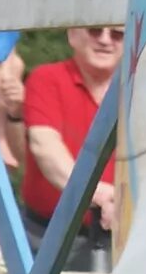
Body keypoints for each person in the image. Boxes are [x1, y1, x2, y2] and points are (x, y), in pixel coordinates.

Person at [20, 23, 127, 243]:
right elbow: (45, 148)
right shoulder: (46, 80)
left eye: (118, 34)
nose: (105, 40)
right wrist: (98, 194)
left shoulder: (142, 89)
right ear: (72, 35)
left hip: (121, 237)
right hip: (46, 237)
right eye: (95, 30)